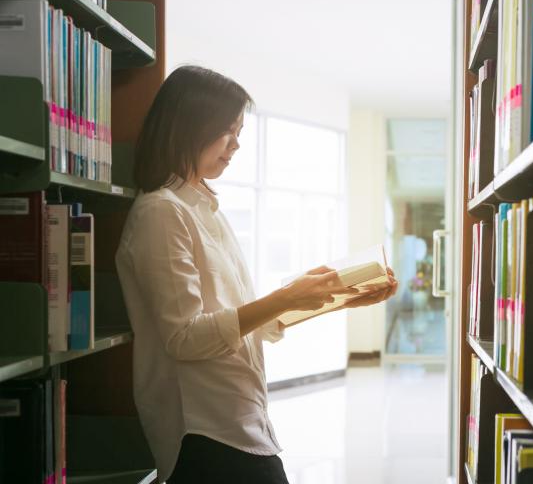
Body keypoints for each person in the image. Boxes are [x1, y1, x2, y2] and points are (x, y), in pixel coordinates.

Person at [115, 65, 397, 484]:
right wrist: (285, 297)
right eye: (228, 132)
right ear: (191, 126)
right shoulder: (162, 212)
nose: (236, 146)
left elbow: (242, 324)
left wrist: (339, 296)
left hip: (240, 421)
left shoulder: (205, 211)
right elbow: (185, 338)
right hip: (204, 432)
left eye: (240, 133)